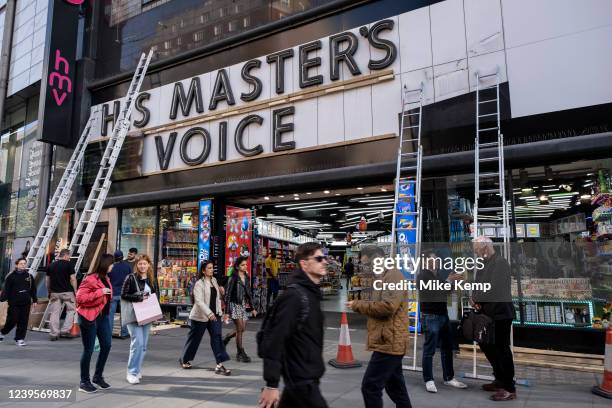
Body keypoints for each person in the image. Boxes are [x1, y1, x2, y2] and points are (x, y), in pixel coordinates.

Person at [259, 242, 328, 408]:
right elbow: (274, 339)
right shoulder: (294, 297)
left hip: (305, 380)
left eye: (324, 258)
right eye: (319, 258)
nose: (325, 261)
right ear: (304, 264)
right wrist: (271, 384)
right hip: (302, 382)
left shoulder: (312, 293)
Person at [346, 245, 412, 408]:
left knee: (370, 387)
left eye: (366, 264)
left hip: (389, 342)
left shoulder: (393, 276)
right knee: (396, 388)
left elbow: (388, 307)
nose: (365, 268)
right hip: (387, 339)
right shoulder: (382, 276)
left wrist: (358, 305)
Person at [471, 236, 516, 401]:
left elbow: (494, 288)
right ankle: (499, 379)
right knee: (487, 345)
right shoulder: (484, 263)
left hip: (501, 314)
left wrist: (477, 297)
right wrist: (474, 296)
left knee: (502, 349)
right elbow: (479, 283)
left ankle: (509, 387)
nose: (476, 253)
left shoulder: (500, 263)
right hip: (488, 314)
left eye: (477, 249)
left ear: (484, 247)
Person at [418, 251, 466, 393]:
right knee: (430, 349)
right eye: (433, 260)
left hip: (443, 314)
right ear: (426, 262)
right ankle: (428, 379)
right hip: (430, 315)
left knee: (447, 347)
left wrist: (452, 283)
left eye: (437, 260)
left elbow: (444, 292)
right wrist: (449, 281)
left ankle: (449, 377)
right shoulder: (423, 276)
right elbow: (434, 291)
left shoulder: (437, 275)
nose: (436, 262)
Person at [179, 260, 231, 375]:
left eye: (212, 268)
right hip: (200, 316)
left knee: (217, 338)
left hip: (215, 315)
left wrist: (222, 293)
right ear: (203, 270)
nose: (212, 270)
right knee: (194, 339)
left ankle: (219, 364)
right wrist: (209, 313)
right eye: (209, 268)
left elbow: (217, 298)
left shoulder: (214, 281)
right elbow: (199, 301)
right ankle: (185, 359)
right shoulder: (199, 283)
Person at [75, 253, 113, 393]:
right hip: (88, 317)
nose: (113, 266)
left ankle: (97, 377)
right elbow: (80, 298)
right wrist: (100, 292)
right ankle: (84, 382)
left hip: (102, 317)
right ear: (105, 264)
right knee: (89, 349)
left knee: (107, 345)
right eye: (111, 264)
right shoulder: (91, 279)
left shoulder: (106, 278)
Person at [121, 254, 157, 384]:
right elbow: (124, 295)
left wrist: (155, 312)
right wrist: (138, 298)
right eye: (140, 264)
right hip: (134, 316)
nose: (142, 266)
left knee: (143, 346)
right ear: (137, 265)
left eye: (145, 264)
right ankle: (131, 372)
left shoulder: (152, 279)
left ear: (148, 265)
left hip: (147, 315)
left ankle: (137, 369)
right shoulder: (131, 278)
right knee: (138, 344)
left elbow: (154, 296)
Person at [223, 256, 257, 362]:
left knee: (241, 329)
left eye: (246, 264)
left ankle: (227, 337)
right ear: (237, 267)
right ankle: (240, 353)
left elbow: (248, 293)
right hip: (234, 304)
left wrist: (252, 308)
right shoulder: (232, 277)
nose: (245, 266)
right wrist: (227, 312)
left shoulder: (246, 277)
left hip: (242, 305)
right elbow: (227, 294)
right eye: (243, 265)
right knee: (240, 328)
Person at [0, 258, 37, 346]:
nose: (23, 265)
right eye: (21, 263)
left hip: (26, 302)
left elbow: (33, 290)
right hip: (14, 302)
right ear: (17, 265)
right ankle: (3, 332)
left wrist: (35, 300)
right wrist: (2, 300)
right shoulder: (11, 276)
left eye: (24, 263)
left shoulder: (29, 276)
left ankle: (19, 339)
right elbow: (6, 290)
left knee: (23, 321)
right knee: (13, 319)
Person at [46, 248, 78, 341]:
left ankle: (54, 333)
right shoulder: (69, 265)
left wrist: (49, 291)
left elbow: (47, 280)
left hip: (54, 293)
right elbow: (73, 279)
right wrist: (75, 291)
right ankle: (64, 331)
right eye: (69, 256)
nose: (69, 258)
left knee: (54, 313)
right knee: (71, 310)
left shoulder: (51, 265)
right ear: (65, 255)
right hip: (67, 292)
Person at [108, 250, 132, 339]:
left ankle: (109, 333)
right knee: (124, 315)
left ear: (114, 257)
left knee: (110, 315)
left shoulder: (111, 267)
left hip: (113, 293)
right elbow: (131, 279)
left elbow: (107, 279)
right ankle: (124, 333)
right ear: (122, 257)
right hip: (124, 294)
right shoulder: (127, 267)